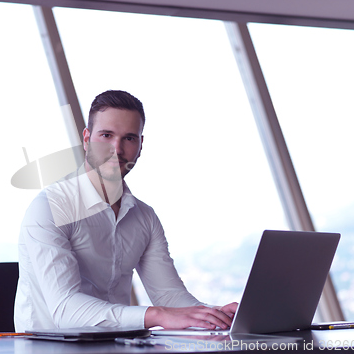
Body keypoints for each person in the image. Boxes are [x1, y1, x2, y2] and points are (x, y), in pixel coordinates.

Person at [14, 90, 237, 332]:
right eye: (106, 135)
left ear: (141, 145)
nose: (116, 149)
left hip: (115, 346)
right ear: (87, 138)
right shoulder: (50, 207)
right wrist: (157, 315)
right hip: (48, 348)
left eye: (129, 138)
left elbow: (169, 298)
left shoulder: (144, 217)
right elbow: (65, 310)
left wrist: (214, 315)